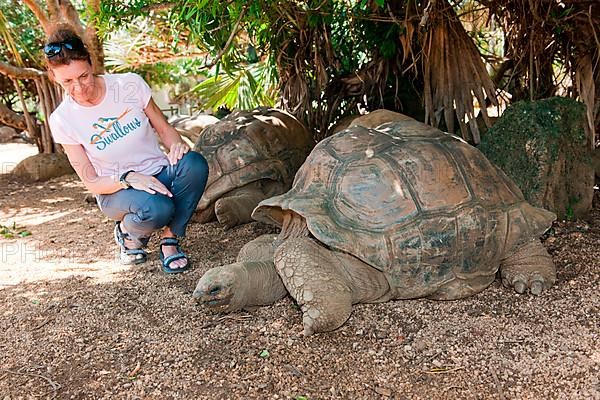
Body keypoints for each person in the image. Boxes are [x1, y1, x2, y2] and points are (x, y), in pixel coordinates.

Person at [45, 25, 209, 273]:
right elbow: (91, 181)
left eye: (84, 76)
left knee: (194, 164)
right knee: (157, 209)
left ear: (91, 64)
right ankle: (127, 233)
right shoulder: (62, 119)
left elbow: (165, 130)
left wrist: (177, 146)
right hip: (115, 191)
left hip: (158, 172)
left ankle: (170, 239)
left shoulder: (129, 84)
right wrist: (128, 178)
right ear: (53, 76)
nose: (79, 88)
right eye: (67, 81)